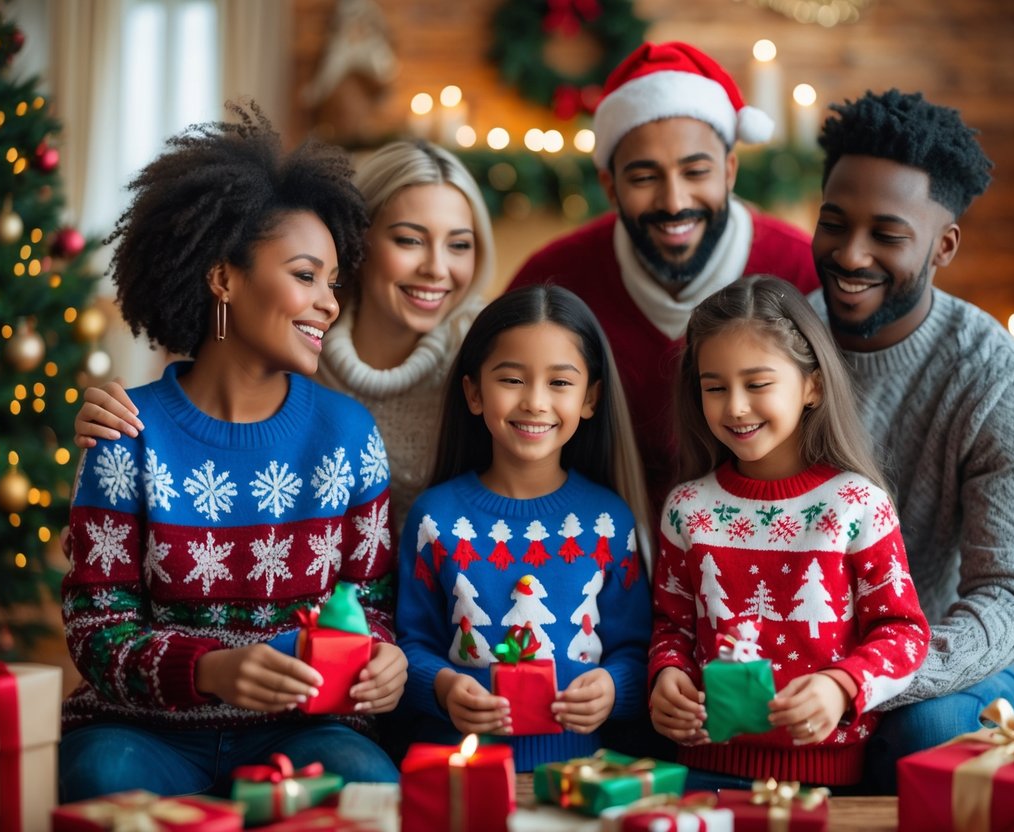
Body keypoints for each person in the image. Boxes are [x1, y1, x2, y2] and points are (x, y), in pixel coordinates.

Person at [60, 105, 404, 800]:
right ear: (222, 278)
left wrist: (383, 659)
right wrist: (210, 669)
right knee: (101, 775)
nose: (328, 303)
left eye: (333, 282)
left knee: (368, 783)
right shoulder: (127, 433)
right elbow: (96, 629)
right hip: (144, 732)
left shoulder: (348, 435)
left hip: (303, 731)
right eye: (305, 276)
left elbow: (369, 605)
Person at [807, 89, 1014, 792]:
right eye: (834, 224)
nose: (849, 254)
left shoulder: (1000, 381)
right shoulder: (773, 346)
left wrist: (859, 679)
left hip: (940, 667)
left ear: (943, 245)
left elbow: (1006, 602)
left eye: (887, 235)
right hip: (785, 651)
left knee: (927, 733)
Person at [73, 139, 495, 534]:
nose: (437, 268)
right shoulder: (285, 339)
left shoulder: (490, 358)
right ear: (356, 241)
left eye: (460, 245)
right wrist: (109, 513)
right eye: (409, 240)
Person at [507, 41, 820, 507]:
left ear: (729, 171)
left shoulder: (802, 271)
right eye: (644, 178)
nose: (674, 202)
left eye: (696, 172)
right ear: (610, 186)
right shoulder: (552, 280)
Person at [648, 276, 930, 788]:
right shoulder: (686, 508)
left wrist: (842, 685)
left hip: (828, 781)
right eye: (715, 387)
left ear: (812, 385)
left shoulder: (856, 504)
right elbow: (673, 627)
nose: (735, 406)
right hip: (701, 771)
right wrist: (667, 676)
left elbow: (904, 633)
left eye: (757, 384)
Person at [396, 285, 653, 771]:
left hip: (580, 775)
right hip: (459, 769)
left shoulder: (608, 522)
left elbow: (637, 651)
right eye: (512, 379)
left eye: (560, 383)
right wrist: (443, 687)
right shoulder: (435, 518)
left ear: (591, 398)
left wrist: (613, 687)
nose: (535, 402)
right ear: (474, 392)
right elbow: (409, 645)